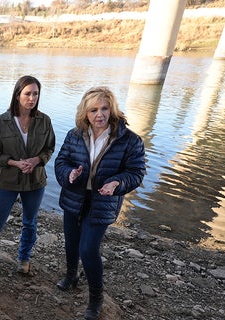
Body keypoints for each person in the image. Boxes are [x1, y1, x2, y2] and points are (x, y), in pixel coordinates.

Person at [54, 86, 146, 320]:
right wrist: (69, 175)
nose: (100, 114)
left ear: (112, 109)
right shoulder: (75, 134)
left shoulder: (130, 140)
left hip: (102, 202)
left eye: (104, 108)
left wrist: (116, 183)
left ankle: (96, 299)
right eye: (93, 109)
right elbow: (61, 161)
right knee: (71, 244)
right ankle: (72, 276)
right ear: (85, 113)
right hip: (74, 197)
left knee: (88, 249)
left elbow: (136, 173)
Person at [0, 75, 55, 274]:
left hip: (36, 181)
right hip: (8, 181)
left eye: (36, 93)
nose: (32, 98)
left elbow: (49, 148)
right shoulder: (0, 122)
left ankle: (24, 259)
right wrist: (14, 163)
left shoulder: (44, 121)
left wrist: (36, 161)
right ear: (17, 95)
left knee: (30, 223)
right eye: (27, 93)